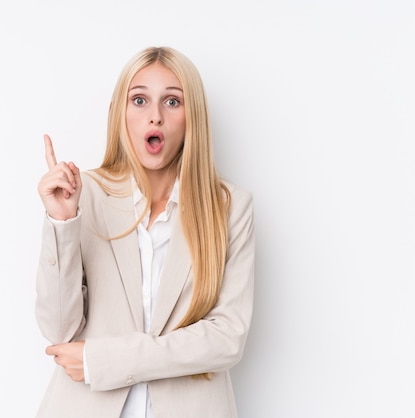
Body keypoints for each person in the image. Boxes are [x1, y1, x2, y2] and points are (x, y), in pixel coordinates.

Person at [35, 46, 255, 418]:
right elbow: (60, 331)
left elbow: (226, 339)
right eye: (139, 100)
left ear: (192, 117)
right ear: (120, 114)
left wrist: (104, 359)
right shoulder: (84, 195)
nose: (155, 117)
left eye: (172, 102)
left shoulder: (229, 206)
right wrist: (62, 222)